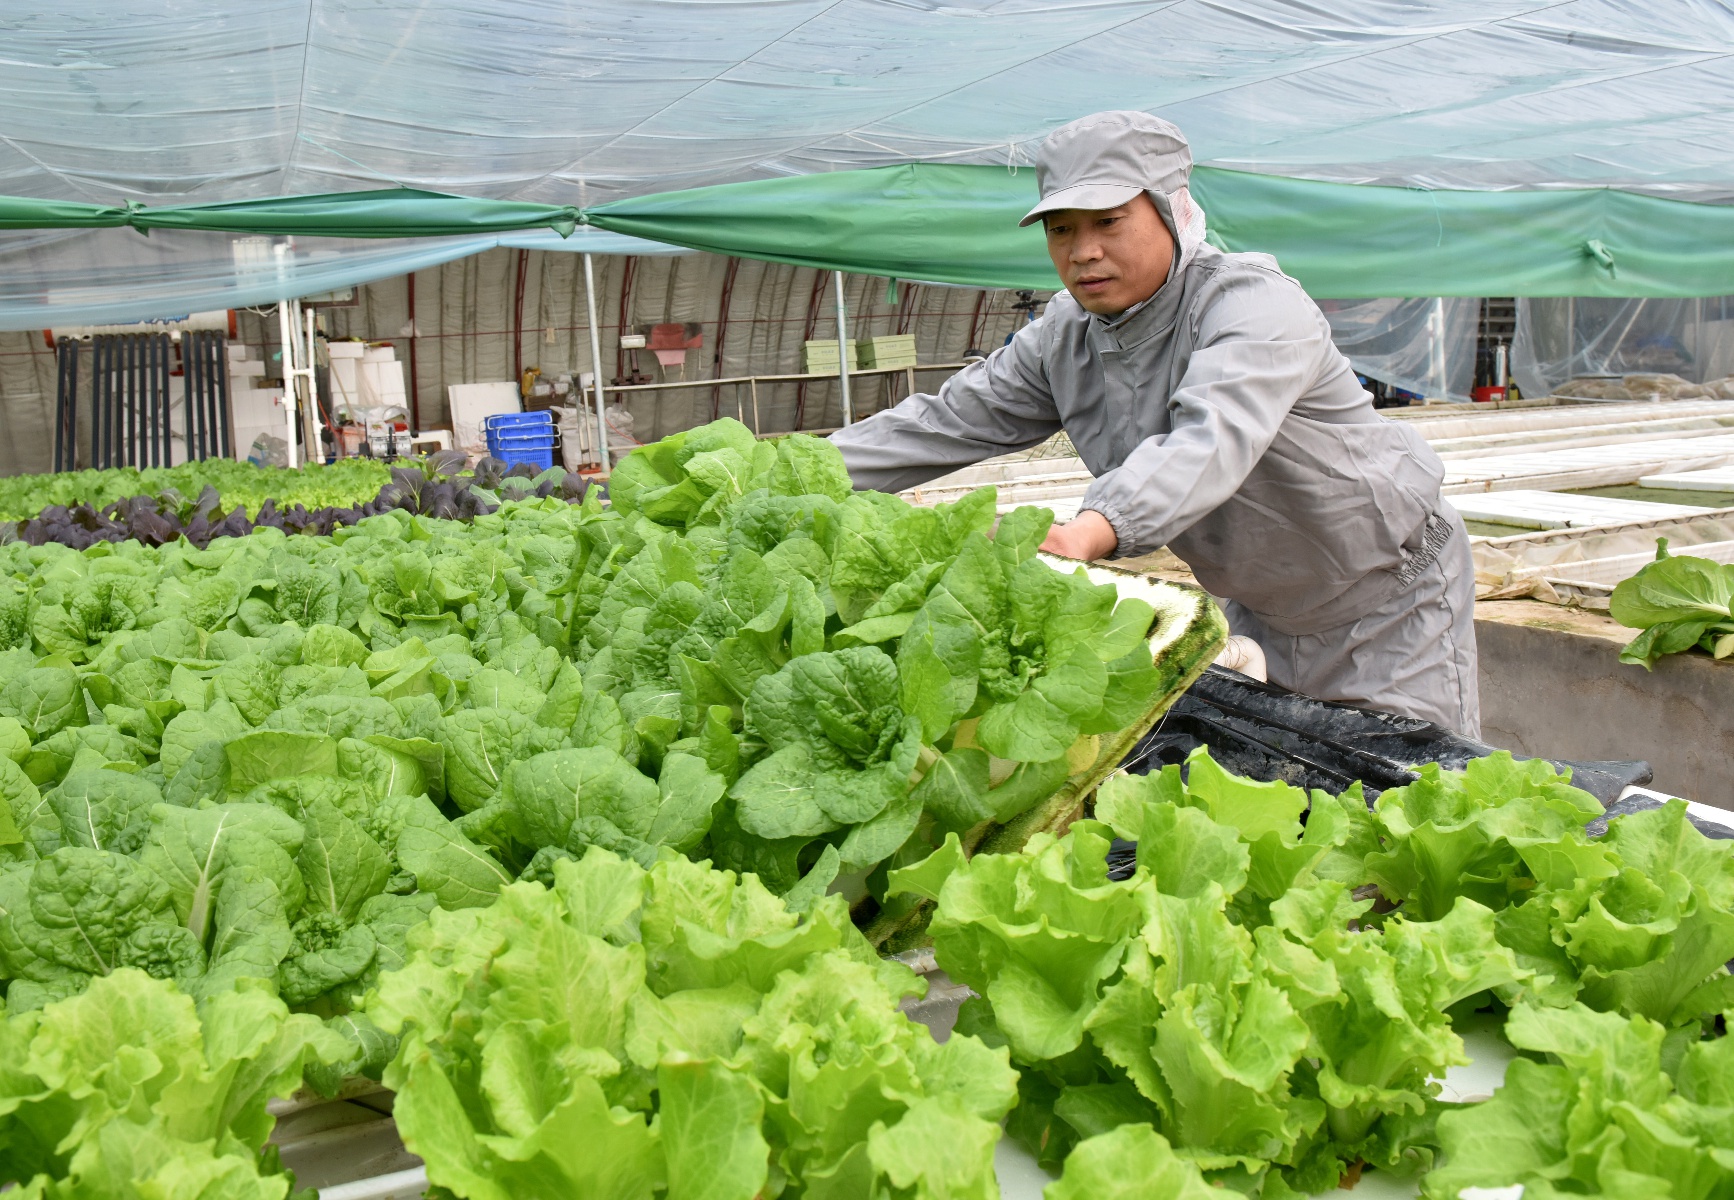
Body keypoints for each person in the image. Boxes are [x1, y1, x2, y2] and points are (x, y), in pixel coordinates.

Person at [830, 110, 1480, 735]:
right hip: (1262, 608)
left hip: (1389, 599)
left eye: (1108, 221)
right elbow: (947, 421)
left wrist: (1090, 530)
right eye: (1061, 229)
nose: (1084, 252)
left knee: (1407, 800)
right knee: (1292, 795)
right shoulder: (1065, 338)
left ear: (1170, 210)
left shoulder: (1252, 305)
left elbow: (1211, 436)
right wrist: (790, 472)